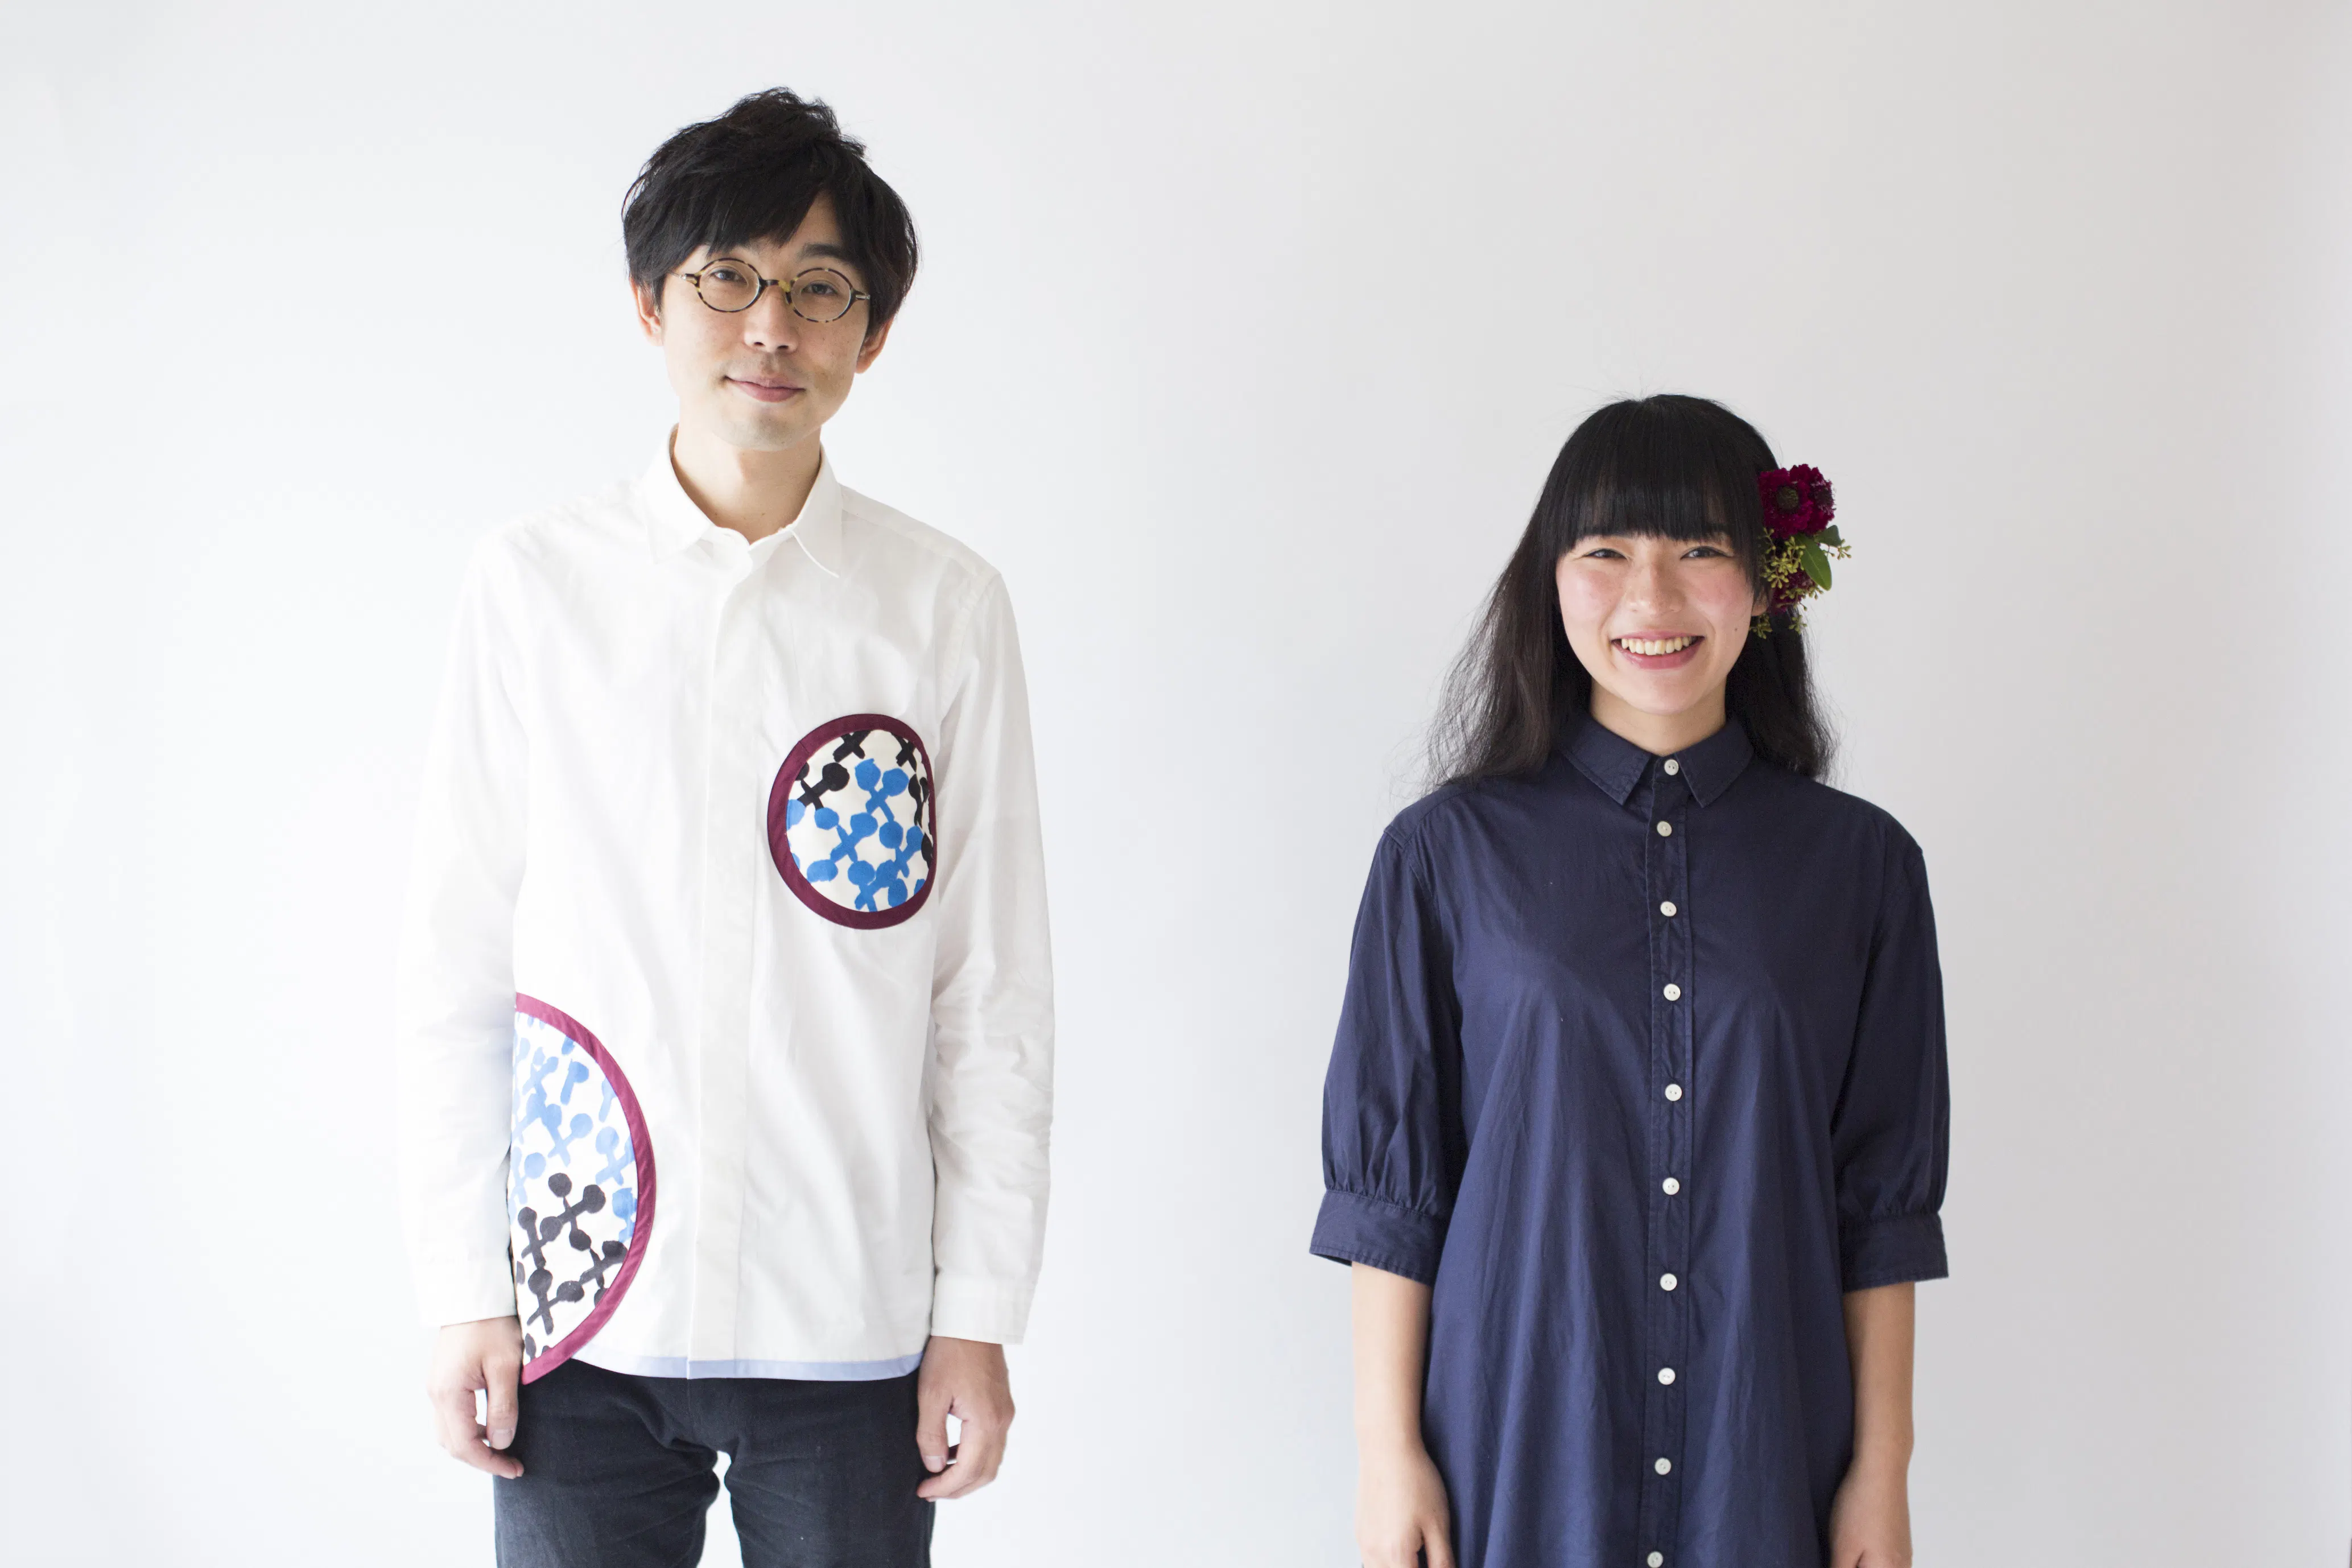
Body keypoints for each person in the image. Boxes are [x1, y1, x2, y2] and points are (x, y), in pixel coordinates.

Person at [395, 88, 1053, 1567]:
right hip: (579, 1316)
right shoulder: (534, 587)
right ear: (651, 303)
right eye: (729, 277)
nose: (772, 325)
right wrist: (463, 1285)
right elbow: (456, 964)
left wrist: (976, 1312)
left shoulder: (941, 607)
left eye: (821, 289)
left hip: (851, 1321)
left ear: (872, 334)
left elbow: (989, 988)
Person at [1313, 395, 1949, 1568]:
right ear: (1549, 581)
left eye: (1700, 549)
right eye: (1604, 552)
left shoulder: (1862, 867)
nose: (1650, 599)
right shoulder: (1444, 855)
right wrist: (1387, 1454)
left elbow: (1881, 1210)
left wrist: (1880, 1469)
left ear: (1771, 581)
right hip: (1514, 1448)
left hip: (1765, 1454)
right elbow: (1394, 1196)